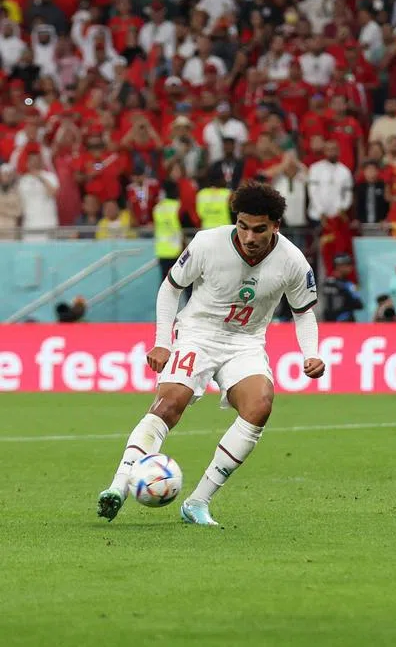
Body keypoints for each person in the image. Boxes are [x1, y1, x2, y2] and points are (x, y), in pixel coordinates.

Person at [96, 184, 325, 527]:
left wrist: (311, 353)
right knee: (168, 404)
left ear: (276, 225)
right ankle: (118, 485)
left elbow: (303, 311)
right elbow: (171, 287)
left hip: (245, 343)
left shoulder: (293, 262)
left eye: (259, 229)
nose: (248, 236)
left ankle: (197, 502)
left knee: (260, 405)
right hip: (197, 334)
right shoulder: (207, 243)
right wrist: (162, 341)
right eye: (243, 225)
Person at [321, 254, 364, 322]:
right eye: (347, 265)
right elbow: (359, 304)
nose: (351, 267)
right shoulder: (348, 285)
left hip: (328, 323)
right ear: (339, 266)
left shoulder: (326, 282)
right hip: (344, 321)